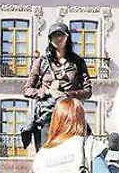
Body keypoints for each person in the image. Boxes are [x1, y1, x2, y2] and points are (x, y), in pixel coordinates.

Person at [21, 22, 91, 151]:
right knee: (45, 156)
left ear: (67, 37)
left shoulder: (78, 62)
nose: (58, 39)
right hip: (47, 116)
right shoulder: (41, 62)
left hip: (70, 115)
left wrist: (67, 95)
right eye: (54, 36)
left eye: (61, 35)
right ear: (50, 39)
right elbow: (26, 90)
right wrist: (47, 91)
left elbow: (88, 91)